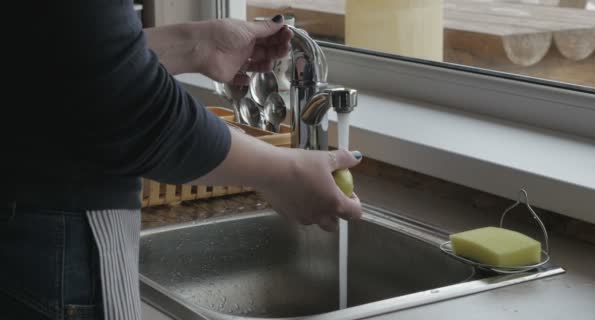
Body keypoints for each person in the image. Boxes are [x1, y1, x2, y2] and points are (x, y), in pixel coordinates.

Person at [0, 1, 363, 319]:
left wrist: (195, 45)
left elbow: (50, 53)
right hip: (55, 246)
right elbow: (125, 104)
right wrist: (279, 171)